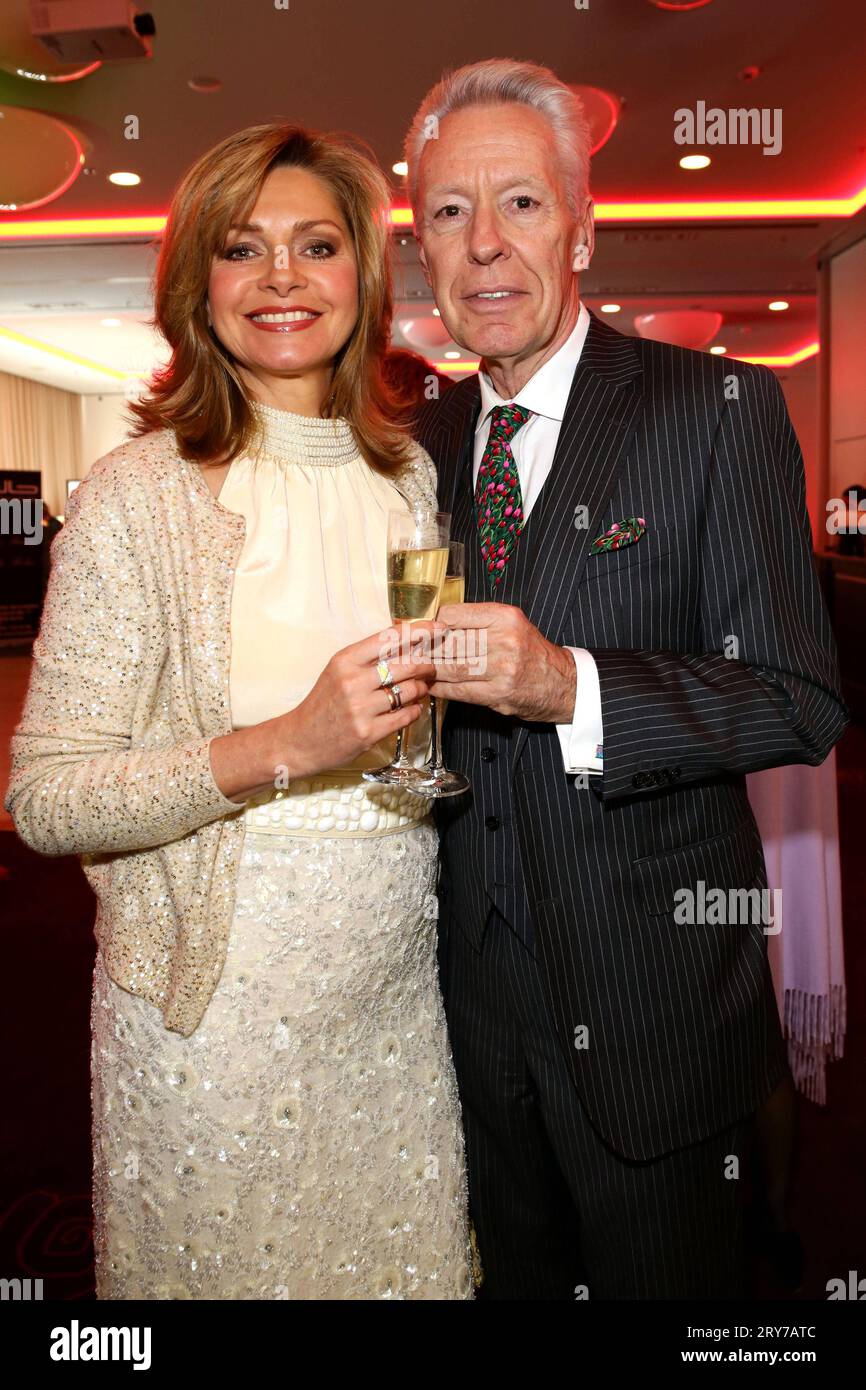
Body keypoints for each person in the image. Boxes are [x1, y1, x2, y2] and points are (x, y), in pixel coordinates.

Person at [4, 122, 474, 1300]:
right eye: (240, 247)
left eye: (315, 244)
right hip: (205, 1017)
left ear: (361, 276)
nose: (279, 276)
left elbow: (416, 733)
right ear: (194, 285)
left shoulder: (408, 477)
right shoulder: (135, 498)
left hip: (392, 1002)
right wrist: (283, 746)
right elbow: (45, 798)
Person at [404, 58, 849, 1299]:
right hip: (456, 1014)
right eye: (448, 212)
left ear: (583, 229)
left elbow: (798, 697)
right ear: (419, 249)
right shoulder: (413, 447)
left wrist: (573, 690)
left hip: (651, 1010)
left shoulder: (714, 410)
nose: (483, 246)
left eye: (521, 205)